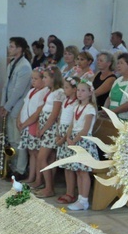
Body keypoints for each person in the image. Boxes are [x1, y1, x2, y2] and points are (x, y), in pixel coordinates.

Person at [61, 81, 99, 210]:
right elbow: (72, 124)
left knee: (84, 171)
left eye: (83, 90)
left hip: (84, 141)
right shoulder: (76, 106)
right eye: (78, 90)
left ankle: (84, 200)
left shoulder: (90, 108)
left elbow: (85, 129)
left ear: (90, 93)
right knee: (78, 171)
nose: (79, 93)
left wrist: (74, 140)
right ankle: (79, 199)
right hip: (75, 140)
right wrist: (68, 136)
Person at [0, 37, 33, 178]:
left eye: (12, 46)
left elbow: (18, 91)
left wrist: (7, 106)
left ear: (20, 49)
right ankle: (12, 166)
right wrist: (2, 104)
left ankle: (21, 169)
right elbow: (6, 86)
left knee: (18, 140)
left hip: (18, 106)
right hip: (9, 105)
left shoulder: (24, 66)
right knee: (11, 139)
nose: (10, 49)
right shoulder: (12, 63)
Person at [32, 67, 64, 198]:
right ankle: (47, 186)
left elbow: (54, 114)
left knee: (42, 158)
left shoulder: (59, 92)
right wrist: (40, 126)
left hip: (51, 129)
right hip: (45, 127)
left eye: (45, 77)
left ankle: (49, 188)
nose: (43, 79)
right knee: (49, 158)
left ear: (53, 78)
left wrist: (44, 128)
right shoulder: (51, 91)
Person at [17, 67, 47, 188]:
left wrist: (25, 123)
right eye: (32, 79)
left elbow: (37, 113)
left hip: (33, 125)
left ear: (43, 79)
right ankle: (31, 176)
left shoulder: (43, 92)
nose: (33, 81)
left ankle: (38, 179)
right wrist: (19, 119)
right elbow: (24, 106)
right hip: (26, 125)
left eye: (36, 78)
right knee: (31, 152)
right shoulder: (31, 91)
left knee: (36, 153)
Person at [54, 76, 79, 205]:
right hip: (62, 133)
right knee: (66, 167)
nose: (64, 90)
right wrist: (58, 133)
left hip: (69, 136)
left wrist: (63, 138)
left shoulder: (76, 104)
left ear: (75, 89)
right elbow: (60, 118)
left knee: (71, 166)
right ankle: (68, 191)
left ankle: (71, 193)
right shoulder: (65, 100)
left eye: (67, 87)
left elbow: (73, 123)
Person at [104, 53, 128, 120]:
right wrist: (105, 110)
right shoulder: (118, 80)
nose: (118, 66)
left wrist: (112, 112)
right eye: (118, 63)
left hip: (125, 119)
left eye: (121, 63)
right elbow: (109, 97)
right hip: (111, 116)